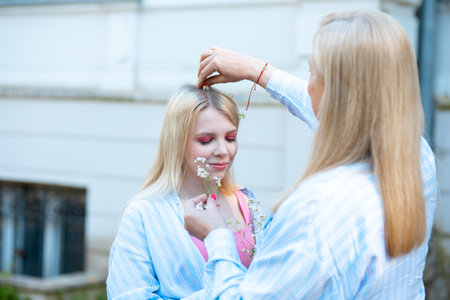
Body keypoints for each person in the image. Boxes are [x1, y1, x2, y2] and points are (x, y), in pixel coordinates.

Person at [183, 10, 437, 299]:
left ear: (335, 95)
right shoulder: (416, 157)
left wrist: (218, 237)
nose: (308, 86)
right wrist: (258, 70)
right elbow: (335, 112)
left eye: (312, 72)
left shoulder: (316, 211)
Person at [106, 84, 264, 299]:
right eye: (206, 140)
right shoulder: (143, 214)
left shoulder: (246, 202)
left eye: (230, 138)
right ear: (177, 142)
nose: (223, 151)